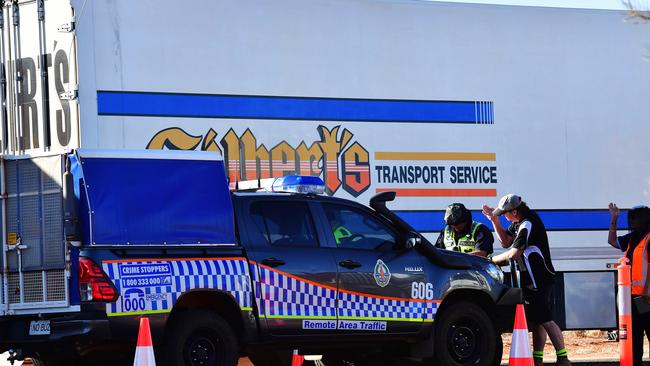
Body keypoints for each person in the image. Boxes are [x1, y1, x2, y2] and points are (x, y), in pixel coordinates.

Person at [482, 194, 570, 366]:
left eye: (504, 214)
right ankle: (537, 359)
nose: (504, 217)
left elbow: (515, 252)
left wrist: (492, 261)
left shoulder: (528, 222)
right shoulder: (517, 223)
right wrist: (495, 221)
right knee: (538, 320)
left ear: (514, 211)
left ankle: (563, 358)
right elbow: (507, 242)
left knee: (546, 319)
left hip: (539, 279)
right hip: (530, 279)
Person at [607, 203, 650, 366]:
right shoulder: (632, 238)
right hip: (632, 296)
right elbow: (611, 241)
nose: (631, 222)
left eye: (634, 219)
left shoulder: (649, 237)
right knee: (635, 336)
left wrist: (647, 290)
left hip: (645, 297)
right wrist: (614, 219)